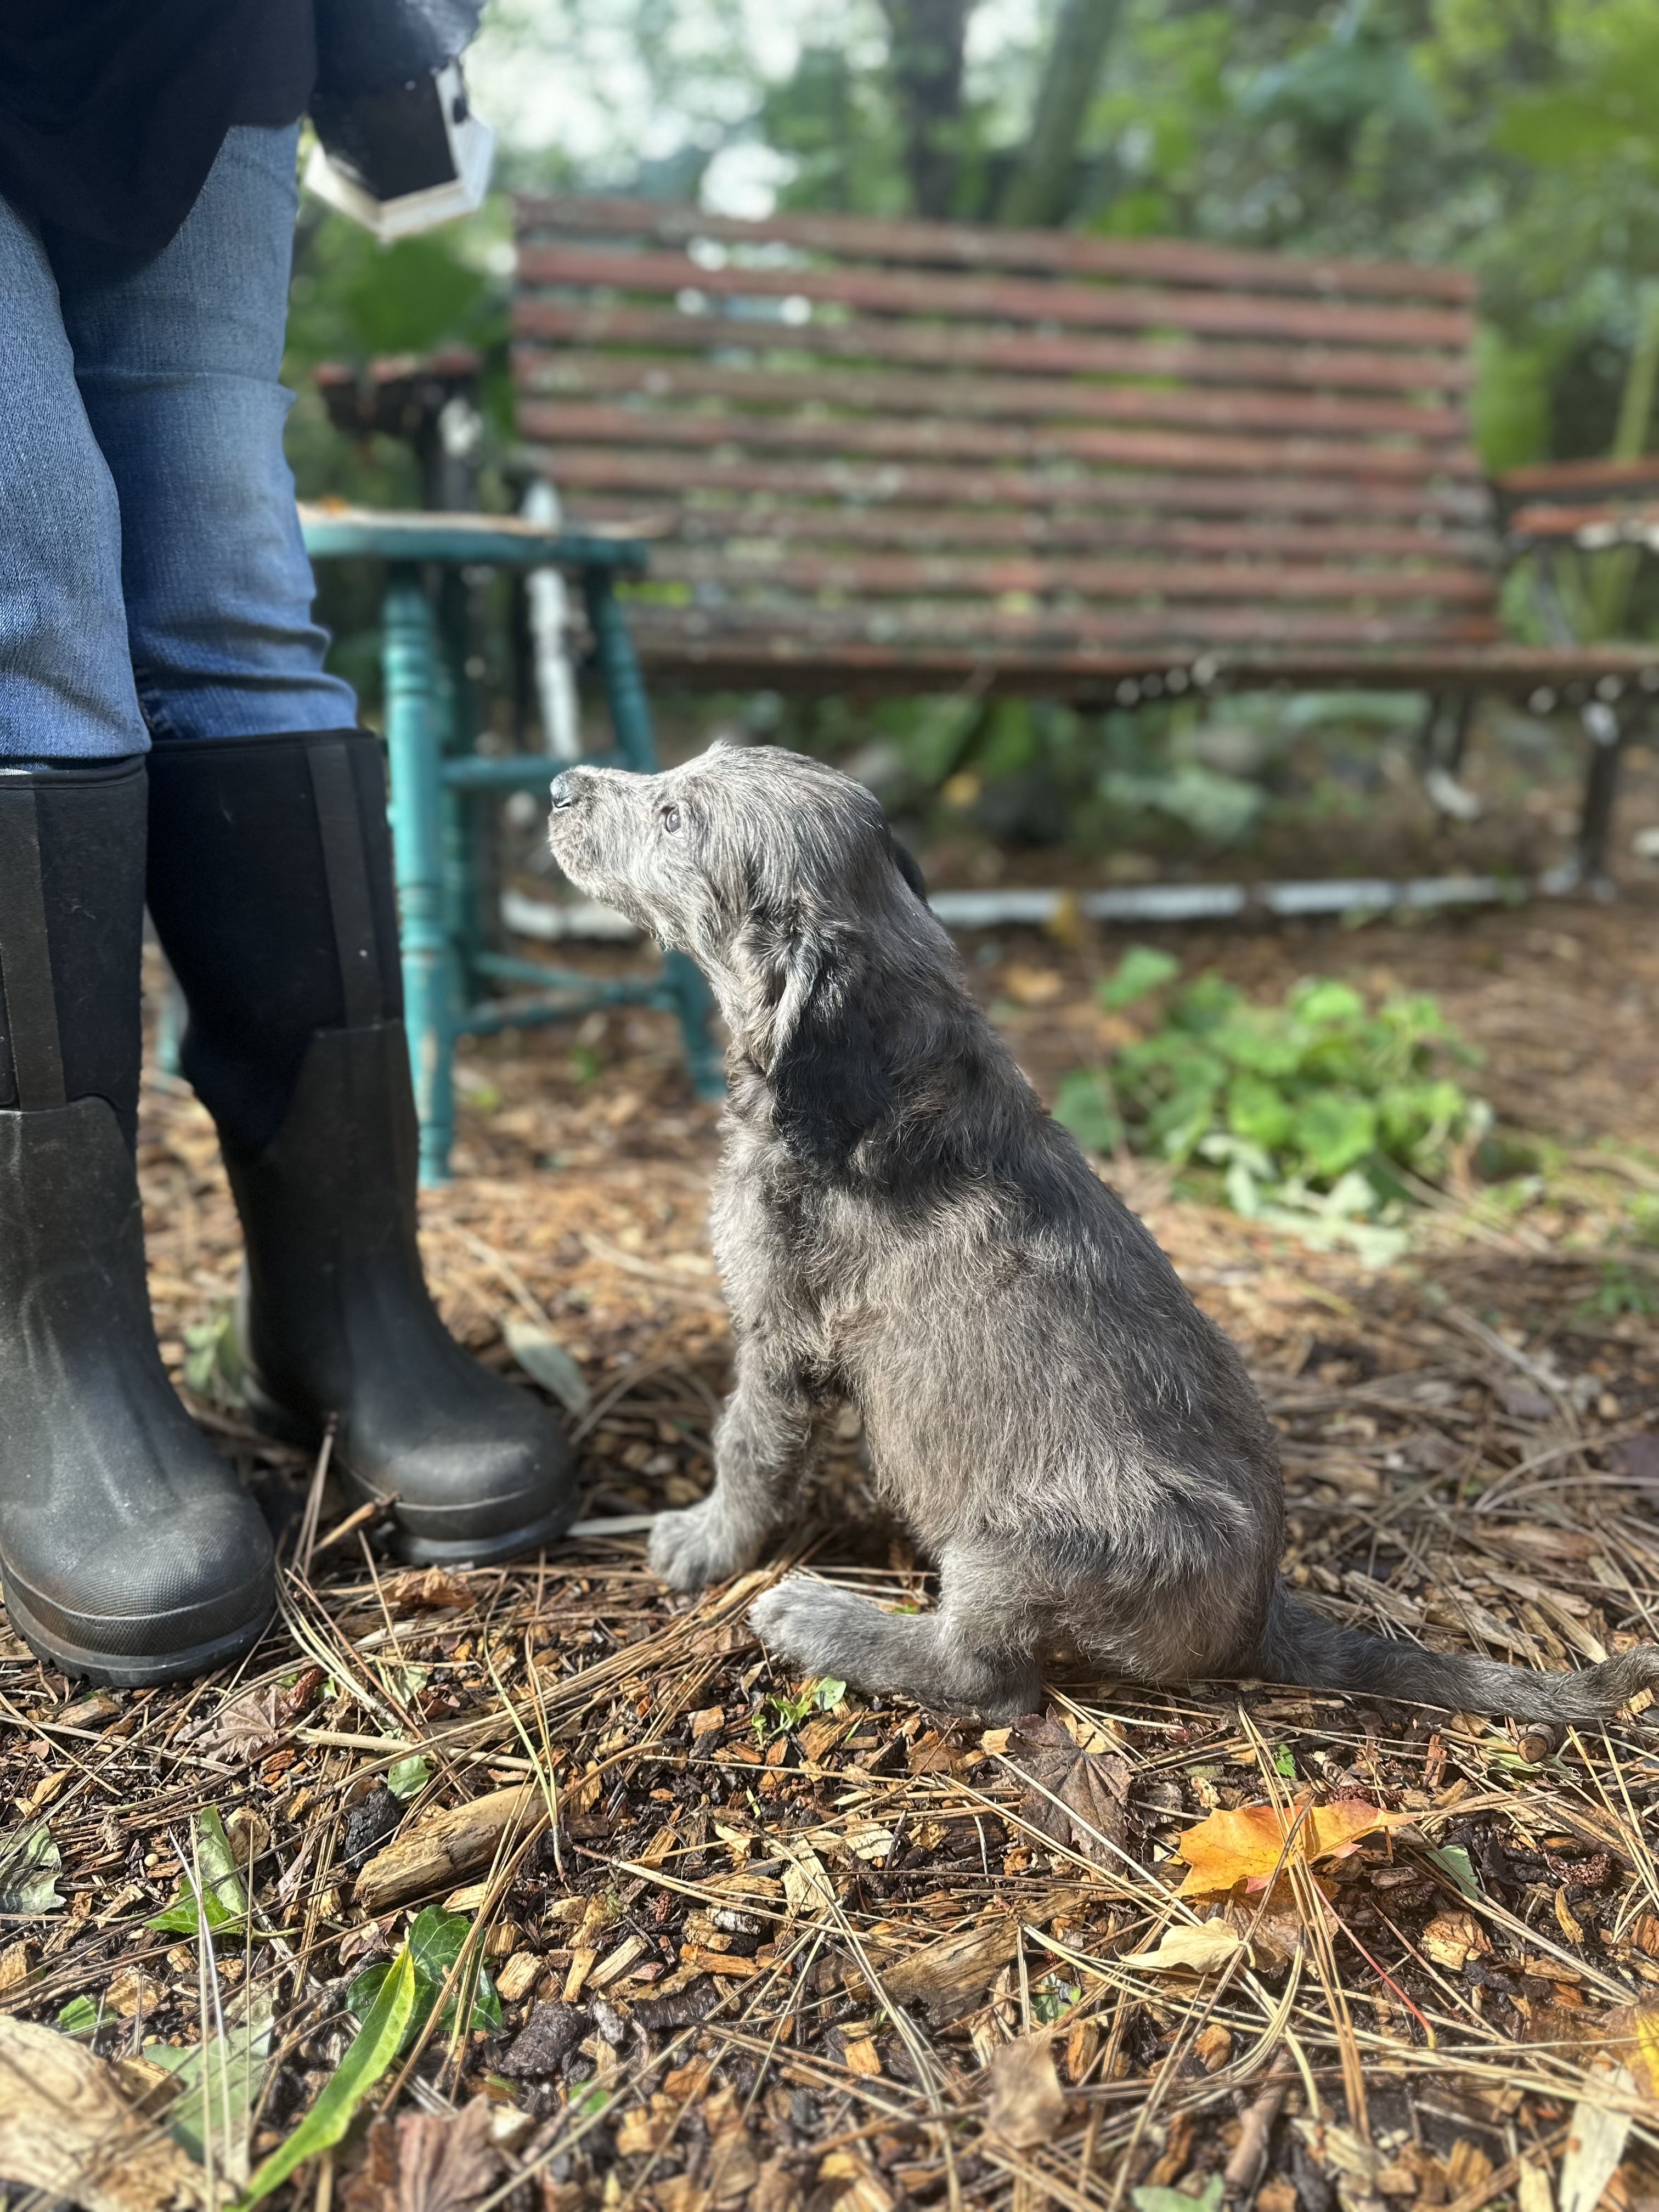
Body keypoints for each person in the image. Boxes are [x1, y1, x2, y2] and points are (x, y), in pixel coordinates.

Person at [0, 2, 577, 1687]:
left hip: (203, 51)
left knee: (237, 599)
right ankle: (54, 1355)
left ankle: (343, 1302)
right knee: (29, 590)